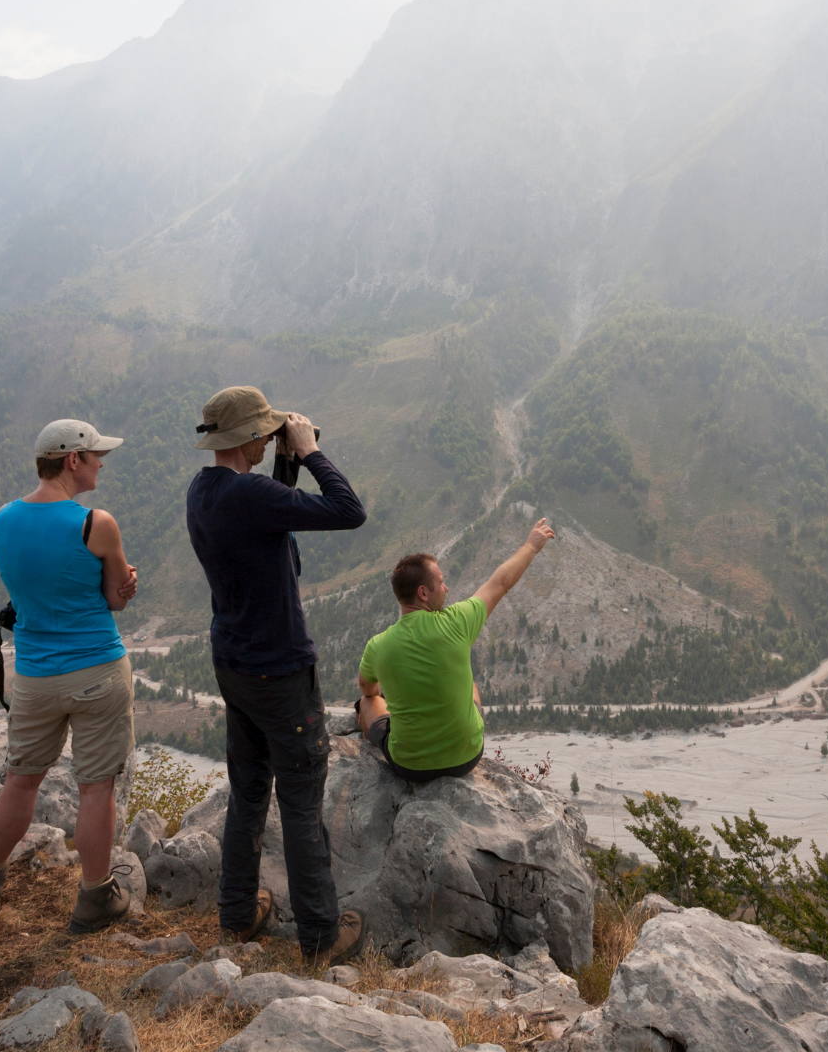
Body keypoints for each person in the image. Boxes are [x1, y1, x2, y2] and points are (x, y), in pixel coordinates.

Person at [185, 385, 367, 964]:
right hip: (280, 672)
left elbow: (268, 518)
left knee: (248, 790)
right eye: (264, 432)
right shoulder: (251, 495)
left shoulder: (206, 491)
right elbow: (349, 511)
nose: (271, 438)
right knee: (301, 799)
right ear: (249, 438)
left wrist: (283, 466)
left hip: (234, 663)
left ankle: (237, 914)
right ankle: (319, 935)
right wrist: (310, 452)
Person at [0, 419, 141, 934]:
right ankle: (95, 898)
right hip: (96, 669)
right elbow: (115, 598)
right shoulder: (96, 524)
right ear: (73, 460)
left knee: (21, 780)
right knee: (95, 788)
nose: (101, 463)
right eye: (95, 455)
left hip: (35, 674)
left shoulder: (5, 518)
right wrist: (127, 587)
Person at [356, 518, 556, 783]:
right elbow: (501, 583)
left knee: (368, 703)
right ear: (423, 593)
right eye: (441, 582)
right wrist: (531, 546)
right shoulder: (458, 621)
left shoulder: (377, 646)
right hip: (466, 759)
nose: (446, 588)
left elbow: (367, 689)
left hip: (410, 766)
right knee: (470, 685)